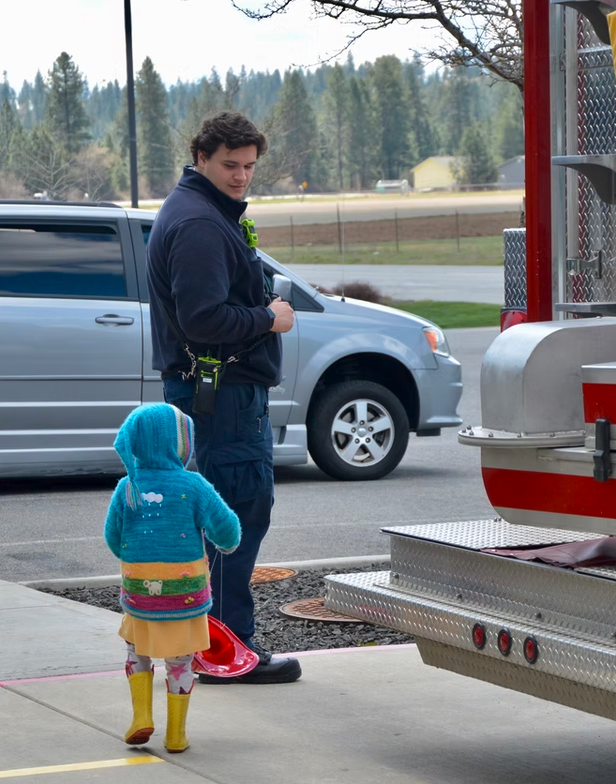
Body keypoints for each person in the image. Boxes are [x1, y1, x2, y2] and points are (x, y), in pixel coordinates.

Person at [146, 111, 301, 685]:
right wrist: (269, 317)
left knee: (213, 521)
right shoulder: (200, 225)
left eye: (249, 166)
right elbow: (203, 317)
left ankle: (205, 647)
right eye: (230, 165)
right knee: (231, 520)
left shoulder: (200, 212)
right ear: (202, 158)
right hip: (224, 398)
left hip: (217, 394)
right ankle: (228, 654)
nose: (241, 177)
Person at [104, 403, 241, 753]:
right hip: (185, 596)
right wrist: (225, 543)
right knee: (180, 660)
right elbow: (226, 530)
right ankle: (176, 734)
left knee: (138, 652)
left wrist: (136, 559)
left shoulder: (127, 487)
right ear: (180, 444)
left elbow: (112, 537)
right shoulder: (192, 485)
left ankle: (141, 717)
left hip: (140, 595)